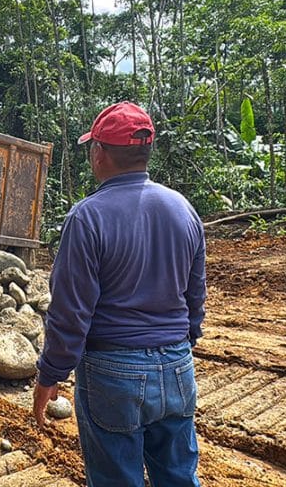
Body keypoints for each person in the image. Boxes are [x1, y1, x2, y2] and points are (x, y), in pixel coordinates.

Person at [33, 101, 206, 487]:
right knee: (179, 476)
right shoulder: (183, 209)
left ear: (100, 153)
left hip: (114, 373)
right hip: (178, 364)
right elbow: (195, 293)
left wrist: (51, 373)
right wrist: (182, 343)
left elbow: (70, 311)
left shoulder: (87, 216)